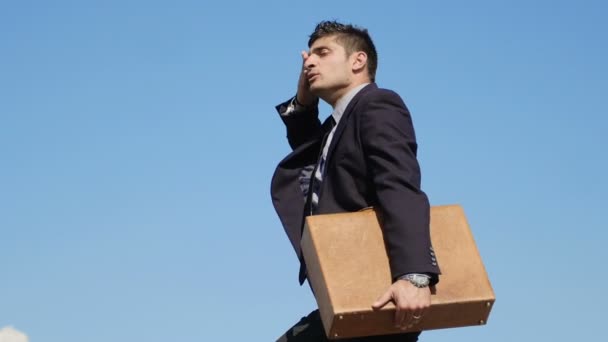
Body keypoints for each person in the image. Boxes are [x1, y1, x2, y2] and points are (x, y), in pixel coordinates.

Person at [271, 21, 440, 341]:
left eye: (323, 53)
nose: (309, 61)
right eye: (309, 57)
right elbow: (308, 160)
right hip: (349, 292)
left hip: (381, 290)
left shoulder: (377, 104)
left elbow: (399, 185)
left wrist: (414, 276)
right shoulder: (336, 126)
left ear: (358, 60)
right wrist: (303, 102)